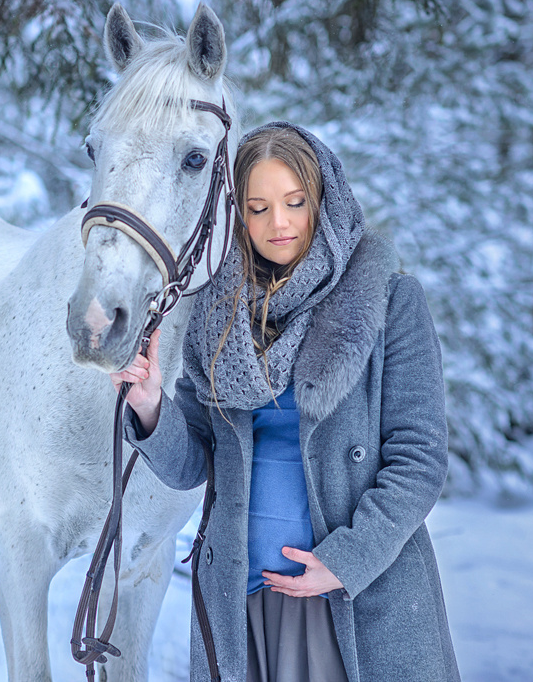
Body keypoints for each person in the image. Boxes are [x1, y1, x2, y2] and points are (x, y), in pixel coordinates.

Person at [111, 122, 461, 682]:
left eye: (295, 202)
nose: (279, 223)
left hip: (352, 596)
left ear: (324, 201)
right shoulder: (218, 316)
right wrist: (150, 407)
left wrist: (345, 562)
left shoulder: (387, 301)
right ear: (236, 218)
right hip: (242, 601)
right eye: (257, 207)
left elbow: (418, 459)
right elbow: (192, 465)